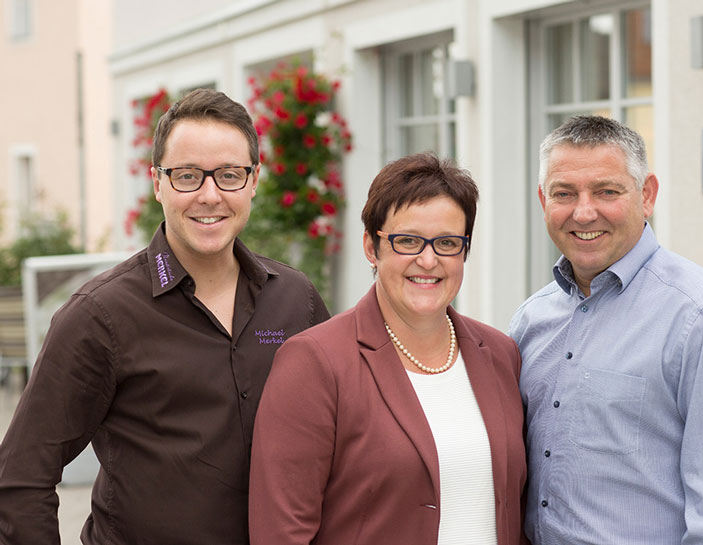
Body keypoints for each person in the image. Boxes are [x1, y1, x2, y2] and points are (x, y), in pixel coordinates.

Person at [0, 88, 329, 544]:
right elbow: (21, 478)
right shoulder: (100, 316)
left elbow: (338, 447)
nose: (210, 195)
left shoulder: (297, 300)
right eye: (188, 176)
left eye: (229, 175)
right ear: (157, 183)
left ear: (254, 181)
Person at [509, 115, 703, 544]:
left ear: (646, 195)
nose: (583, 211)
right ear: (543, 201)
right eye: (564, 193)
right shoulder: (530, 320)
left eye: (606, 191)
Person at [249, 152, 529, 545]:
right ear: (371, 246)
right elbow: (282, 533)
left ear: (464, 251)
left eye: (447, 242)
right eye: (408, 241)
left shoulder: (501, 354)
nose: (428, 260)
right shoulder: (315, 363)